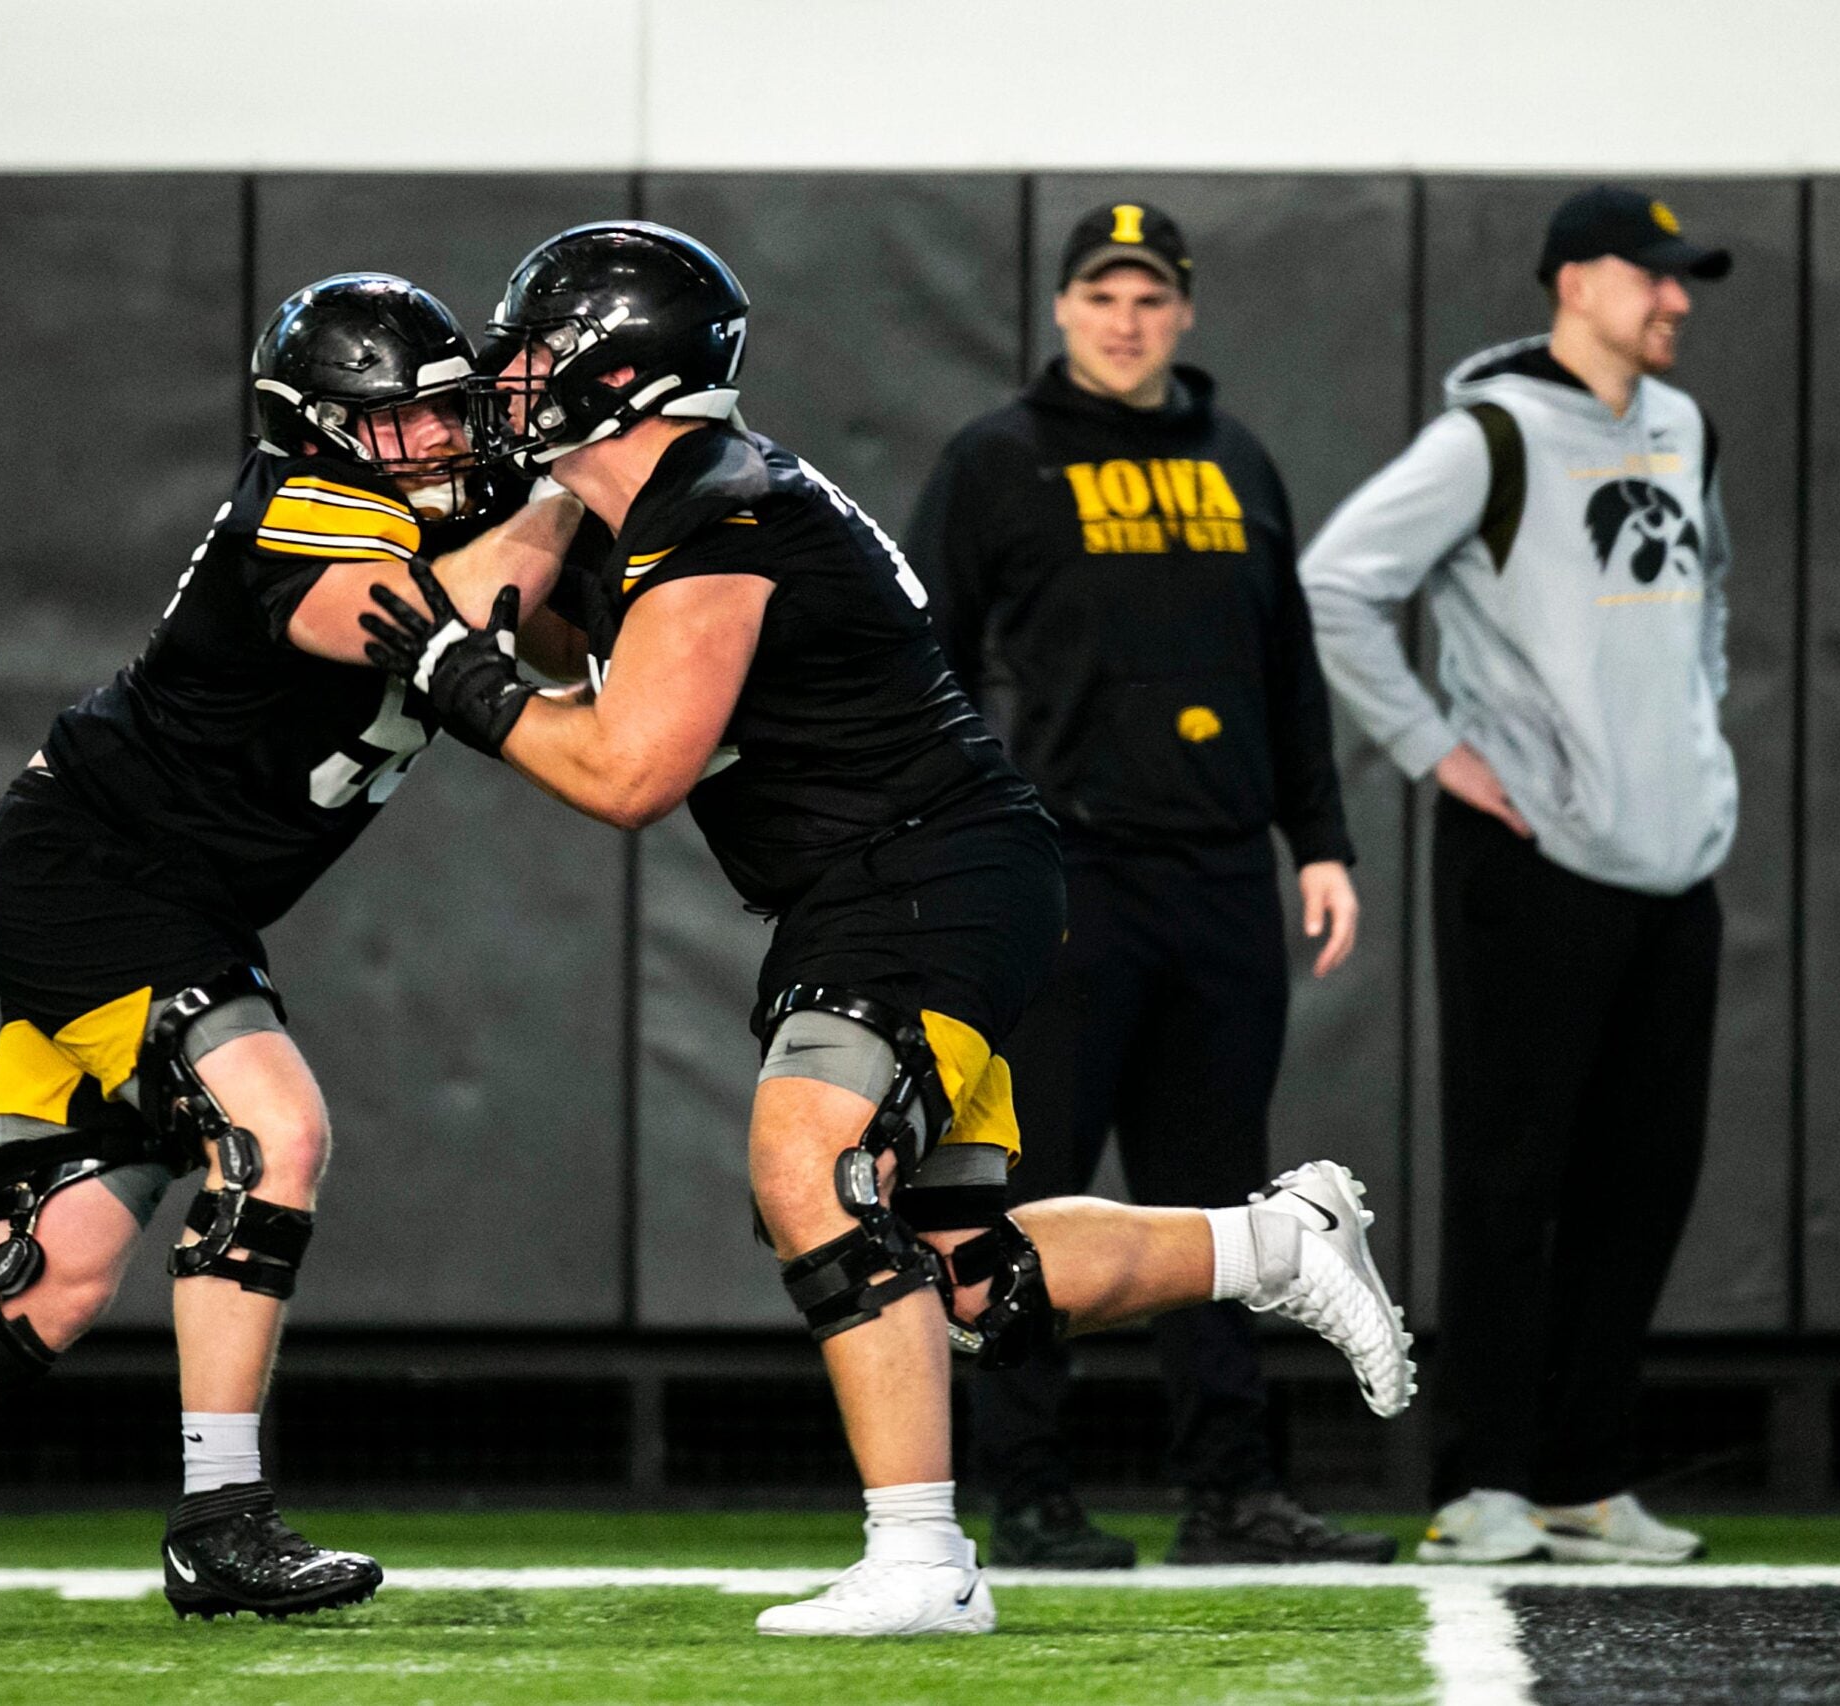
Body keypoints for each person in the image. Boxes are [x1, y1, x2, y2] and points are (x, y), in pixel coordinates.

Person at [360, 220, 1416, 1638]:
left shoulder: (719, 504)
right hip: (922, 869)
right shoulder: (674, 493)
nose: (510, 375)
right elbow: (573, 639)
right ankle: (1279, 1243)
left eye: (541, 351)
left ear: (620, 370)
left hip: (919, 870)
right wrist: (515, 553)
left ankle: (921, 1558)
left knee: (810, 1163)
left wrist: (453, 674)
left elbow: (628, 770)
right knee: (967, 1270)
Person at [0, 274, 581, 1623]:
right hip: (99, 883)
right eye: (406, 423)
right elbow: (445, 626)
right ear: (325, 428)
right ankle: (224, 1519)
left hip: (146, 895)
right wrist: (580, 486)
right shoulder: (304, 508)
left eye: (451, 414)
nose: (444, 442)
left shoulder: (411, 509)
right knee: (273, 1134)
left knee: (48, 1280)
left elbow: (556, 662)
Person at [907, 199, 1391, 1569]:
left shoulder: (1240, 461)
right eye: (1103, 296)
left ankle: (1232, 1488)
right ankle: (1029, 1489)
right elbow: (920, 662)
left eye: (1150, 298)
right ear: (1063, 308)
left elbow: (1289, 672)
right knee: (1030, 1191)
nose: (1127, 320)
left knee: (1222, 1202)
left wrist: (1327, 841)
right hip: (1066, 886)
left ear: (1182, 312)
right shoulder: (995, 462)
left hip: (1224, 883)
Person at [1299, 186, 1735, 1566]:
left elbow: (1704, 608)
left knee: (1643, 1179)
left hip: (1676, 868)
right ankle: (1485, 1478)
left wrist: (1699, 759)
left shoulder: (1683, 429)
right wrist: (1438, 751)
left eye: (1682, 282)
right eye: (1654, 278)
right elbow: (1335, 584)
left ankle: (1585, 1478)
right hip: (1531, 861)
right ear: (1576, 283)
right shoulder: (1486, 433)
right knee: (1510, 1176)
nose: (1675, 301)